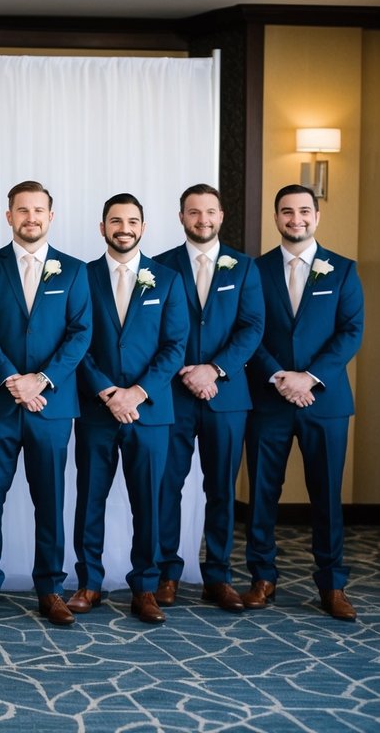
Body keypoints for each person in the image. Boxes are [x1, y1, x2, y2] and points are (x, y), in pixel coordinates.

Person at [0, 181, 91, 626]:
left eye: (39, 210)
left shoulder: (74, 272)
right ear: (9, 217)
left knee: (51, 498)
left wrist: (41, 380)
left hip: (53, 406)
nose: (31, 218)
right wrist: (11, 381)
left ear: (51, 216)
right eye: (22, 210)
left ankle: (51, 589)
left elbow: (80, 334)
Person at [244, 184, 364, 621]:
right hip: (268, 400)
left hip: (324, 402)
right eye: (287, 212)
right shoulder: (254, 272)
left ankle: (332, 584)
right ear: (276, 217)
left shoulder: (343, 271)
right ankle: (262, 577)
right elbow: (248, 332)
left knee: (327, 496)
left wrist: (308, 378)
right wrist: (280, 377)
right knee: (262, 494)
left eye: (304, 211)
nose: (296, 219)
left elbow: (350, 332)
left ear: (317, 215)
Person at [70, 193, 187, 625]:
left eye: (132, 220)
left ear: (143, 227)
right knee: (90, 500)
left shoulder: (168, 279)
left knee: (149, 502)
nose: (124, 227)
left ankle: (146, 588)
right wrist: (106, 391)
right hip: (97, 410)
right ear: (102, 227)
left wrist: (136, 393)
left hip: (150, 411)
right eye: (115, 220)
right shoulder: (82, 276)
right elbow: (77, 340)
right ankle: (89, 584)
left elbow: (175, 347)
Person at [153, 184, 263, 612]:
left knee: (221, 489)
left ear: (221, 216)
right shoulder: (161, 266)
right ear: (181, 217)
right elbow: (156, 328)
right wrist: (186, 371)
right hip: (173, 396)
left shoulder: (245, 268)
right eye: (194, 212)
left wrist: (214, 369)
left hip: (227, 395)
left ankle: (218, 575)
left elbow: (251, 327)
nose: (203, 219)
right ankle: (167, 573)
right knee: (168, 486)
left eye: (210, 212)